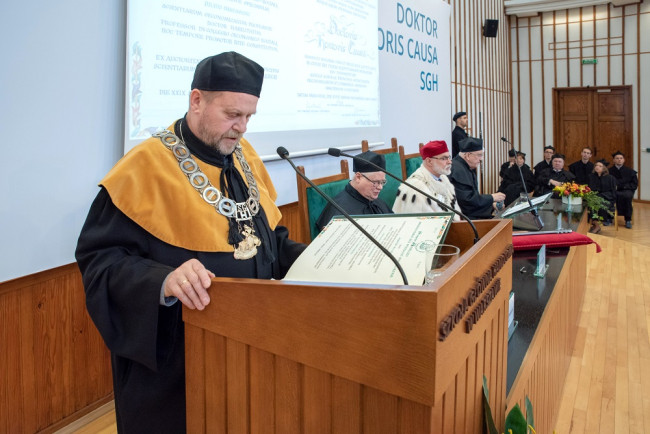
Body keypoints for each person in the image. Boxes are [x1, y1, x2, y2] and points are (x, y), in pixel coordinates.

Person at [75, 52, 306, 433]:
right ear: (196, 100)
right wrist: (162, 282)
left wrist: (319, 257)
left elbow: (268, 241)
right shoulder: (143, 168)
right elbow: (101, 262)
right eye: (233, 114)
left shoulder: (243, 157)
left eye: (249, 116)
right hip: (175, 373)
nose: (242, 127)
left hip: (252, 356)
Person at [315, 151, 393, 231]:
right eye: (375, 182)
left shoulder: (377, 202)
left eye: (382, 182)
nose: (380, 187)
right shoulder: (339, 210)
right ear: (358, 177)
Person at [392, 140, 461, 220]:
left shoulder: (443, 178)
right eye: (444, 158)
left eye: (449, 157)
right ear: (429, 161)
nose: (449, 162)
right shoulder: (416, 187)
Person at [449, 137, 506, 219]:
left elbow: (472, 199)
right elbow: (467, 202)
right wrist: (492, 197)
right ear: (468, 155)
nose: (481, 159)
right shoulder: (458, 170)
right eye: (479, 155)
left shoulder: (464, 167)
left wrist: (491, 205)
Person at [609, 151, 638, 229]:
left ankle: (628, 219)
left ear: (624, 160)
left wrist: (624, 187)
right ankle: (609, 217)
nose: (619, 160)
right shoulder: (609, 171)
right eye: (617, 158)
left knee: (627, 196)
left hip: (626, 190)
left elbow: (634, 184)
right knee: (609, 196)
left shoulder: (630, 171)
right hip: (614, 190)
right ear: (613, 160)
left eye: (621, 158)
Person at [587, 159, 617, 233]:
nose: (597, 167)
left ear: (604, 168)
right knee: (590, 205)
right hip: (593, 198)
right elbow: (588, 189)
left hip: (606, 198)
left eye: (600, 166)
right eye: (596, 165)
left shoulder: (610, 178)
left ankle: (597, 225)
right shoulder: (591, 177)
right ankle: (596, 224)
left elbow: (612, 192)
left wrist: (601, 196)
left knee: (601, 205)